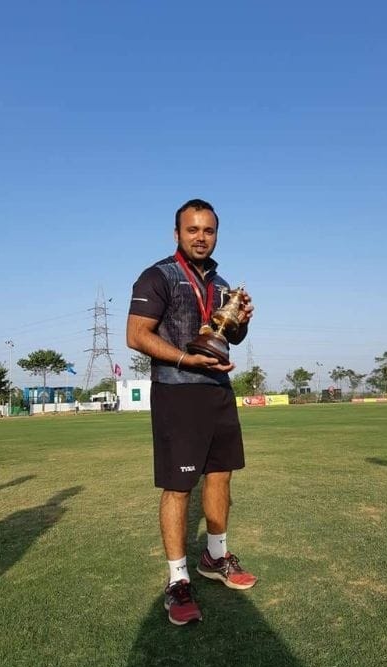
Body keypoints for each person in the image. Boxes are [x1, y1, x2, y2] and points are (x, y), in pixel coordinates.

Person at [126, 198, 257, 626]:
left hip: (217, 390)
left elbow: (229, 338)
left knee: (220, 475)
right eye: (193, 229)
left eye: (209, 230)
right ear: (177, 233)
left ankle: (215, 558)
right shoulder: (158, 276)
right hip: (177, 392)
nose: (201, 237)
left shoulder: (222, 284)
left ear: (216, 234)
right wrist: (184, 359)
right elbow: (136, 335)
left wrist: (241, 318)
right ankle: (178, 579)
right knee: (179, 487)